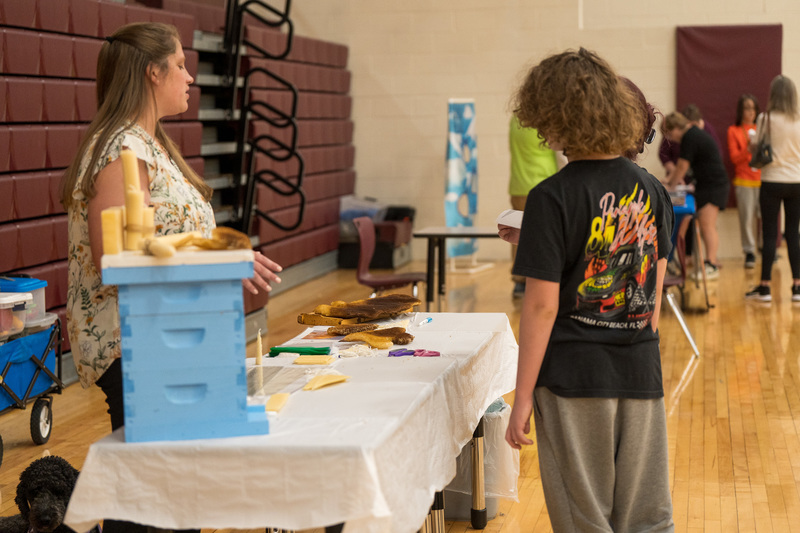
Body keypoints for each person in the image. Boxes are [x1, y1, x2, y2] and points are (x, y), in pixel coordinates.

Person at [59, 22, 282, 533]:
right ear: (151, 72)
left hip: (167, 337)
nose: (190, 77)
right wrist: (218, 259)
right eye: (180, 65)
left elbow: (166, 242)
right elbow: (117, 260)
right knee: (154, 500)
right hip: (140, 342)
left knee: (173, 494)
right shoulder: (122, 147)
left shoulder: (147, 143)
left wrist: (225, 260)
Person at [503, 48, 674, 532]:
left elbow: (540, 307)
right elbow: (653, 303)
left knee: (585, 522)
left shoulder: (550, 197)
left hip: (573, 379)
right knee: (647, 520)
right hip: (642, 374)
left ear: (556, 118)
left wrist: (522, 398)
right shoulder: (654, 190)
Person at [745, 75, 800, 302]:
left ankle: (765, 287)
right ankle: (797, 287)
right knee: (793, 234)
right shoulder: (798, 120)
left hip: (771, 180)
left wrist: (751, 142)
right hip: (796, 181)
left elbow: (755, 146)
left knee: (769, 234)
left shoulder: (764, 119)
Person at [662, 111, 730, 279]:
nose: (672, 139)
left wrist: (670, 186)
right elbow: (681, 166)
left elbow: (682, 166)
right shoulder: (693, 135)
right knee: (704, 225)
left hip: (713, 186)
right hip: (708, 184)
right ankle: (706, 263)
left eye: (670, 134)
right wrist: (669, 180)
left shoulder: (690, 137)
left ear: (676, 128)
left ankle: (711, 264)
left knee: (708, 226)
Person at [507, 114, 561, 298]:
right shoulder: (546, 120)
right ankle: (541, 283)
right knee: (544, 237)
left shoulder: (515, 119)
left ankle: (519, 283)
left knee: (517, 234)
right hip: (543, 184)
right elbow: (561, 156)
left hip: (518, 186)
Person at [727, 94, 762, 269]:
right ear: (741, 110)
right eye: (747, 108)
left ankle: (766, 247)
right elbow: (734, 158)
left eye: (753, 108)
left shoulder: (762, 129)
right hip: (744, 181)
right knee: (746, 219)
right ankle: (750, 251)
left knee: (766, 217)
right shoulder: (733, 130)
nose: (750, 112)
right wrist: (748, 148)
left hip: (764, 180)